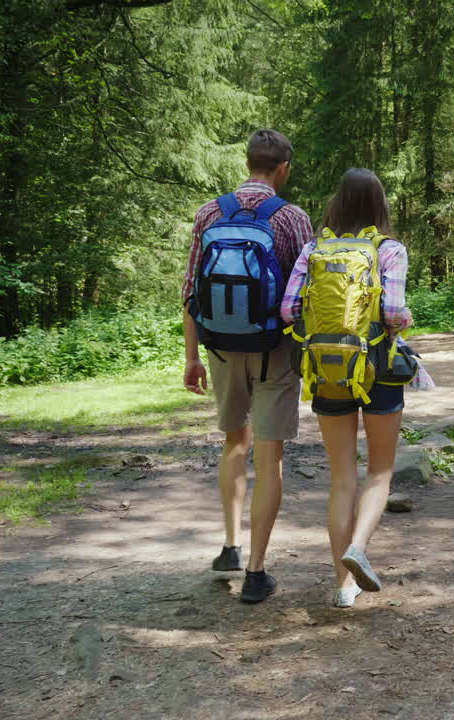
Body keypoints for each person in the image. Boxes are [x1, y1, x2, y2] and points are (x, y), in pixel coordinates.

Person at [280, 168, 434, 608]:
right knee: (380, 471)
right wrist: (401, 322)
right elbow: (393, 313)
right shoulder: (389, 250)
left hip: (328, 370)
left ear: (337, 204)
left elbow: (289, 310)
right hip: (379, 367)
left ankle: (343, 586)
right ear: (378, 206)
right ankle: (358, 548)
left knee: (341, 477)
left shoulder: (313, 249)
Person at [182, 129, 314, 604]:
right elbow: (308, 293)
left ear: (248, 163)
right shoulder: (293, 218)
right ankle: (257, 572)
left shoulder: (208, 212)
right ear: (283, 169)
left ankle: (229, 548)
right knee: (269, 454)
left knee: (234, 442)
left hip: (219, 348)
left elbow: (190, 296)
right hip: (274, 351)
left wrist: (191, 358)